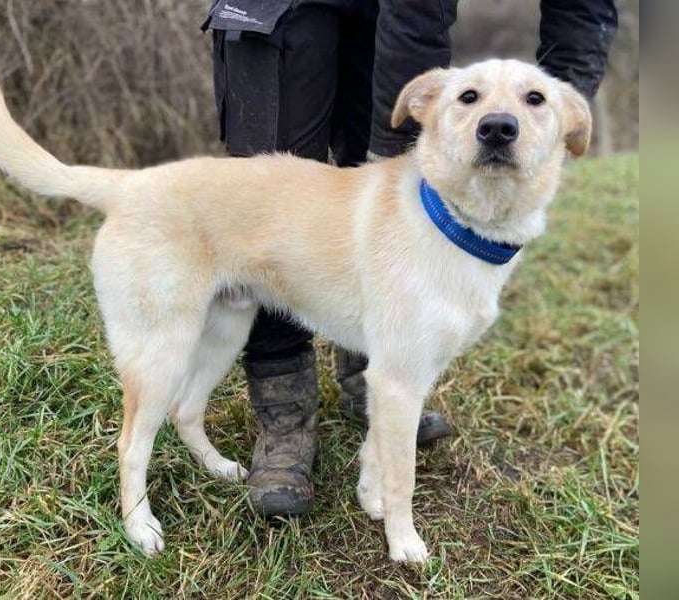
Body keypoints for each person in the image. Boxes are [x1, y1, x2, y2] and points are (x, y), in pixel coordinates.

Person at [202, 0, 617, 516]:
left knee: (373, 203)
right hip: (277, 10)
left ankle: (374, 384)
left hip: (392, 22)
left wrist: (550, 106)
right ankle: (285, 414)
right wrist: (394, 144)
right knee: (268, 211)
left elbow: (583, 12)